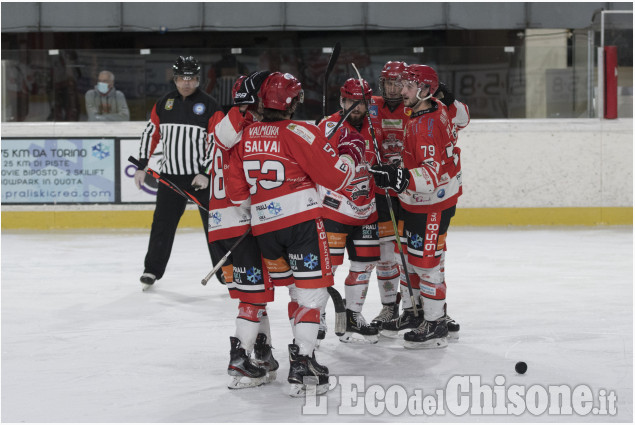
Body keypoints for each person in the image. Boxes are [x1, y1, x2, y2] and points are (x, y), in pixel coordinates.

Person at [226, 71, 366, 396]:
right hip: (302, 226)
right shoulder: (299, 132)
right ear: (292, 102)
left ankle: (263, 358)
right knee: (309, 296)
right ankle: (303, 366)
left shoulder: (244, 136)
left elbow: (237, 194)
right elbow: (337, 178)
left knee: (292, 291)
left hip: (265, 231)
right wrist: (349, 152)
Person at [371, 64, 462, 349]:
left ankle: (435, 323)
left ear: (425, 90)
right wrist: (401, 167)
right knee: (408, 259)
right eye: (403, 84)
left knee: (426, 263)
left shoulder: (426, 125)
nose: (402, 91)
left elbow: (432, 175)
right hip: (417, 201)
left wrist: (399, 177)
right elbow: (464, 118)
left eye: (409, 86)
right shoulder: (431, 106)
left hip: (431, 203)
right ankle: (415, 313)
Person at [208, 71, 281, 389]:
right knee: (252, 296)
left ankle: (261, 350)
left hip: (218, 226)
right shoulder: (244, 128)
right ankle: (240, 361)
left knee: (251, 295)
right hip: (241, 225)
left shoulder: (222, 124)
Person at [134, 56, 223, 290]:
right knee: (162, 225)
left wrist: (206, 172)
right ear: (174, 79)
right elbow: (150, 134)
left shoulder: (210, 104)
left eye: (191, 78)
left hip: (200, 179)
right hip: (170, 178)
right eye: (182, 78)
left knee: (214, 224)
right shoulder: (164, 103)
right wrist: (142, 165)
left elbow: (216, 142)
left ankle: (225, 271)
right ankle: (152, 270)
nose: (186, 83)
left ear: (197, 79)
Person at [316, 78, 382, 344]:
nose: (356, 108)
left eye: (362, 103)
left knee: (365, 264)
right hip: (333, 209)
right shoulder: (327, 126)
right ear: (341, 101)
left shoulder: (374, 126)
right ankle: (317, 316)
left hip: (367, 208)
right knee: (325, 268)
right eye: (351, 102)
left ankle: (353, 316)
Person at [368, 61, 411, 330]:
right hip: (380, 190)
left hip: (407, 189)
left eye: (398, 82)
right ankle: (388, 307)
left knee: (407, 252)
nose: (393, 88)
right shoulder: (371, 104)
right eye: (388, 82)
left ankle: (413, 307)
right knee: (384, 253)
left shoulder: (415, 106)